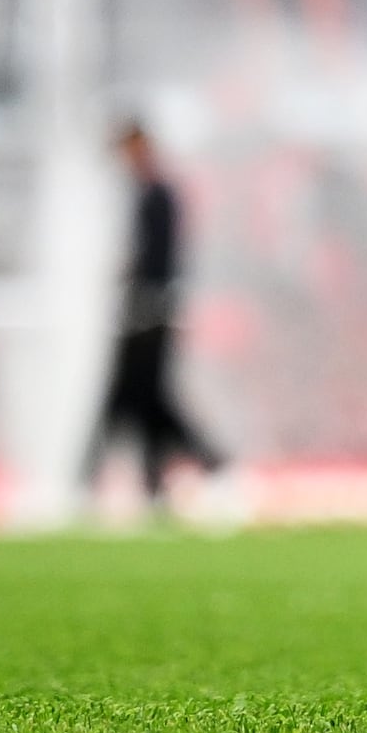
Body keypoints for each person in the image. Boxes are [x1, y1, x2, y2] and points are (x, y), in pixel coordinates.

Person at [80, 114, 225, 513]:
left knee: (134, 398)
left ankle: (201, 462)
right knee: (148, 401)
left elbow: (161, 260)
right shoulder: (146, 192)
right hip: (145, 309)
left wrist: (138, 281)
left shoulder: (158, 193)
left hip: (149, 312)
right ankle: (159, 477)